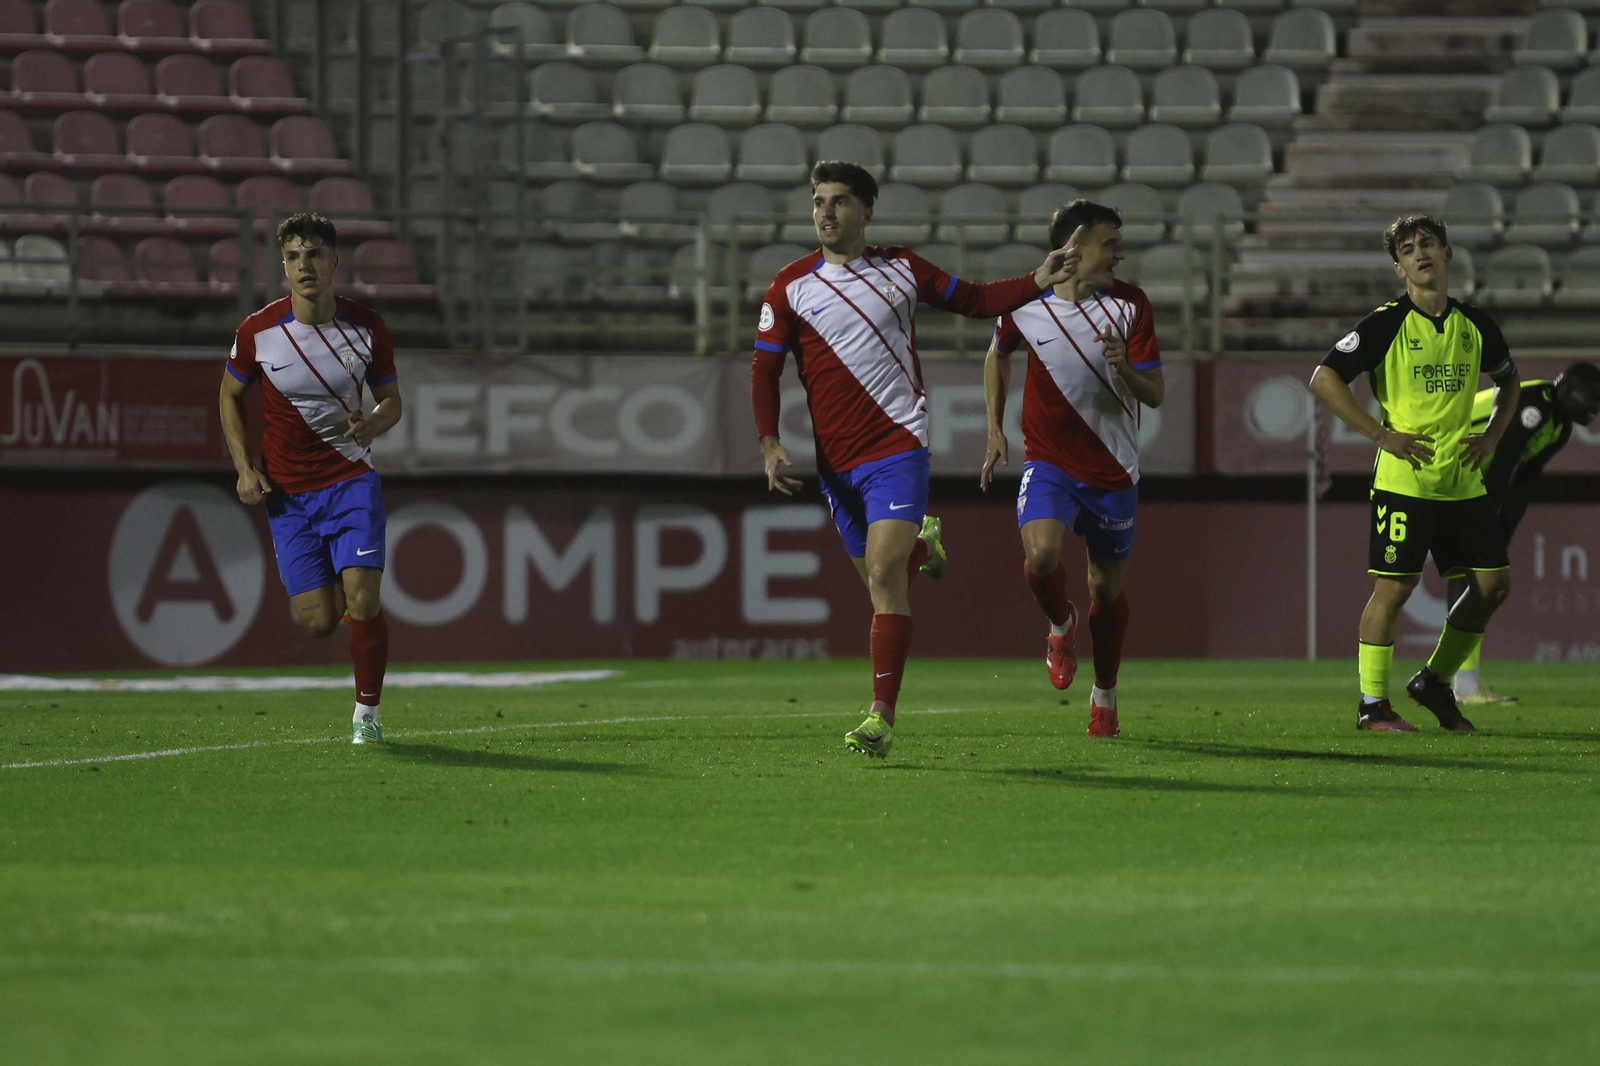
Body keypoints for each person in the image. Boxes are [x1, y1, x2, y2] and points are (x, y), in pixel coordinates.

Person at [752, 160, 1081, 759]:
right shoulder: (789, 286)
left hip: (897, 445)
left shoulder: (903, 269)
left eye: (841, 201)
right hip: (836, 465)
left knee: (883, 577)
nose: (827, 212)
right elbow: (766, 368)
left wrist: (1039, 277)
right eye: (819, 201)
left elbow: (978, 300)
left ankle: (880, 716)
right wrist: (769, 441)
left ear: (867, 211)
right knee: (884, 582)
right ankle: (924, 544)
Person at [1308, 214, 1520, 733]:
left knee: (1493, 586)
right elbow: (1324, 378)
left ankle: (1433, 681)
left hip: (1463, 479)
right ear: (1399, 267)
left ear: (1447, 254)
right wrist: (1382, 436)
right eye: (1408, 248)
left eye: (1428, 243)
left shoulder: (1476, 324)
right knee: (1393, 591)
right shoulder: (1385, 324)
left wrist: (1492, 437)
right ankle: (1371, 704)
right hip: (1406, 481)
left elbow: (1510, 381)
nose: (1420, 252)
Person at [979, 200, 1163, 740]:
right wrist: (994, 426)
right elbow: (997, 353)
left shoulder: (1130, 306)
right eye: (1111, 243)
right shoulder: (1025, 301)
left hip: (1113, 469)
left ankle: (1104, 693)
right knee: (1041, 557)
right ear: (1076, 247)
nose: (1119, 254)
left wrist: (1123, 368)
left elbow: (1154, 395)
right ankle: (1060, 625)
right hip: (1050, 460)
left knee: (1105, 590)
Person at [219, 212, 402, 745]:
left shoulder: (367, 327)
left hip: (350, 478)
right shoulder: (258, 331)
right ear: (284, 265)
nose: (305, 266)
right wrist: (243, 467)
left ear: (334, 261)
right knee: (320, 620)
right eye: (295, 256)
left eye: (315, 254)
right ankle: (351, 616)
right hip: (288, 494)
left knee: (363, 598)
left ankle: (366, 716)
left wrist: (373, 422)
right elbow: (228, 395)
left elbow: (393, 402)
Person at [1448, 362, 1600, 704]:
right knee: (1469, 580)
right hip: (1442, 467)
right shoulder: (1534, 405)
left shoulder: (1559, 427)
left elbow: (1523, 484)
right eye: (1592, 399)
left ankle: (1459, 682)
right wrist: (1486, 523)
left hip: (1467, 478)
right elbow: (1502, 462)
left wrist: (1503, 533)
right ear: (1569, 391)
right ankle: (1457, 683)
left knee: (1473, 579)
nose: (1595, 408)